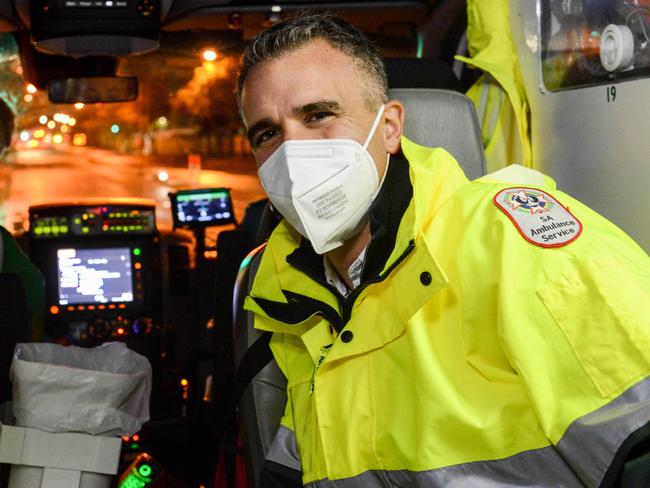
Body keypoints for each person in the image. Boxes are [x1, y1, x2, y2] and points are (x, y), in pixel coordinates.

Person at [237, 12, 650, 488]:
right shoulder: (289, 299)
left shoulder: (514, 242)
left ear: (389, 127)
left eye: (318, 115)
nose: (293, 152)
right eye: (267, 134)